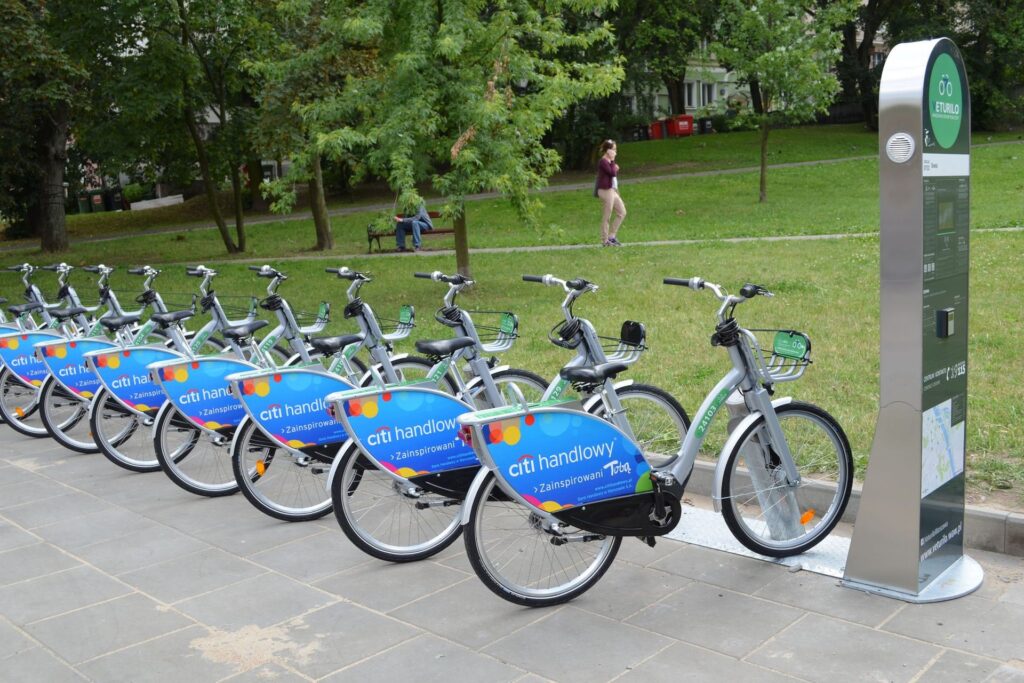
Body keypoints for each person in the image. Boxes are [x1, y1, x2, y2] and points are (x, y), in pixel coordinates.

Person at [595, 139, 626, 246]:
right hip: (605, 191)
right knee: (607, 216)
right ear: (607, 150)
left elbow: (613, 178)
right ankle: (605, 241)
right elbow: (612, 173)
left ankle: (612, 236)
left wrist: (617, 191)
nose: (615, 152)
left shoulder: (609, 161)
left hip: (612, 191)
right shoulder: (603, 161)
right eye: (613, 149)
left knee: (622, 212)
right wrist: (613, 161)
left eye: (615, 149)